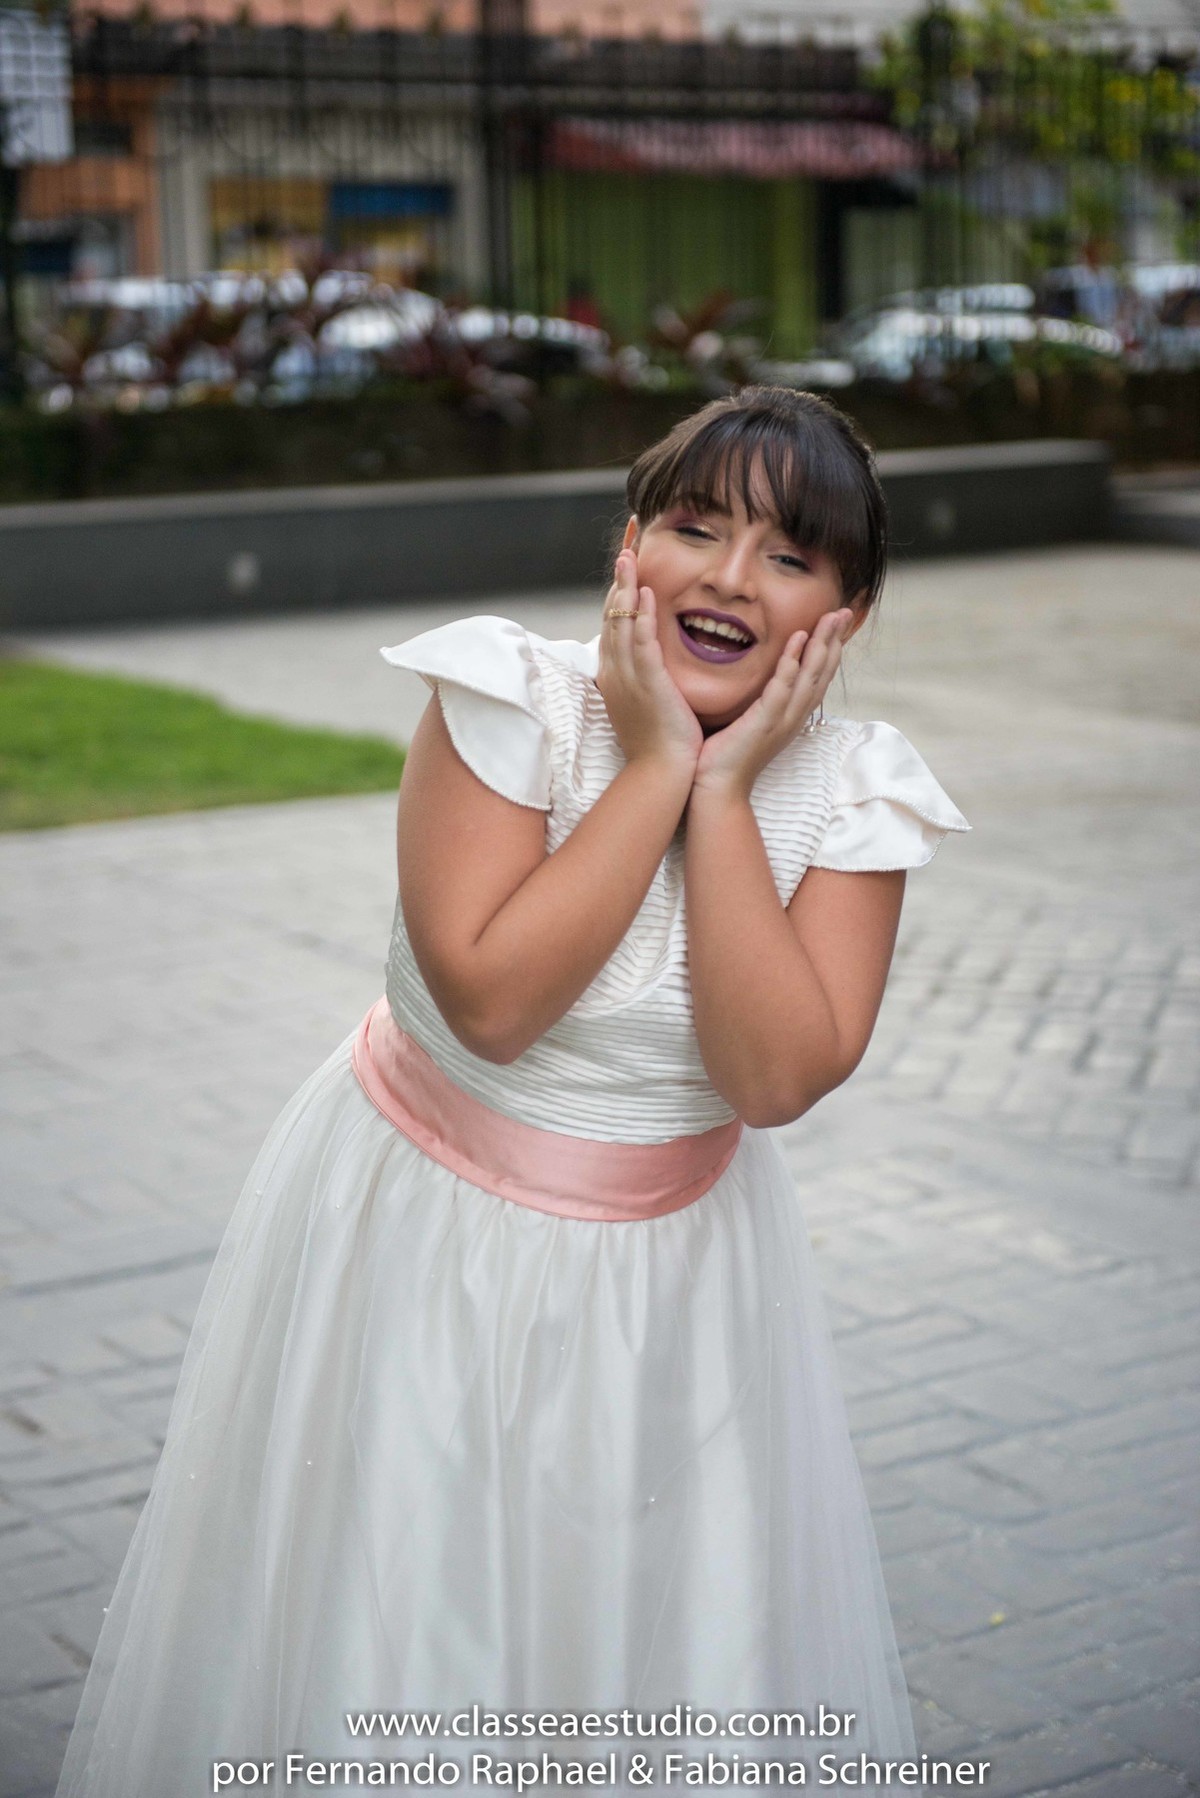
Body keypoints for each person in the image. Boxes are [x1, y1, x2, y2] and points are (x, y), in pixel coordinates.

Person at [54, 386, 970, 1798]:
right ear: (628, 549)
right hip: (423, 1235)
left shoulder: (856, 797)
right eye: (695, 528)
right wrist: (658, 759)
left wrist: (724, 802)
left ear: (845, 615)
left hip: (677, 1280)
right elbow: (492, 1000)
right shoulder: (509, 703)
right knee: (404, 1598)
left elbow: (773, 1073)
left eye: (790, 556)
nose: (730, 577)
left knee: (644, 1615)